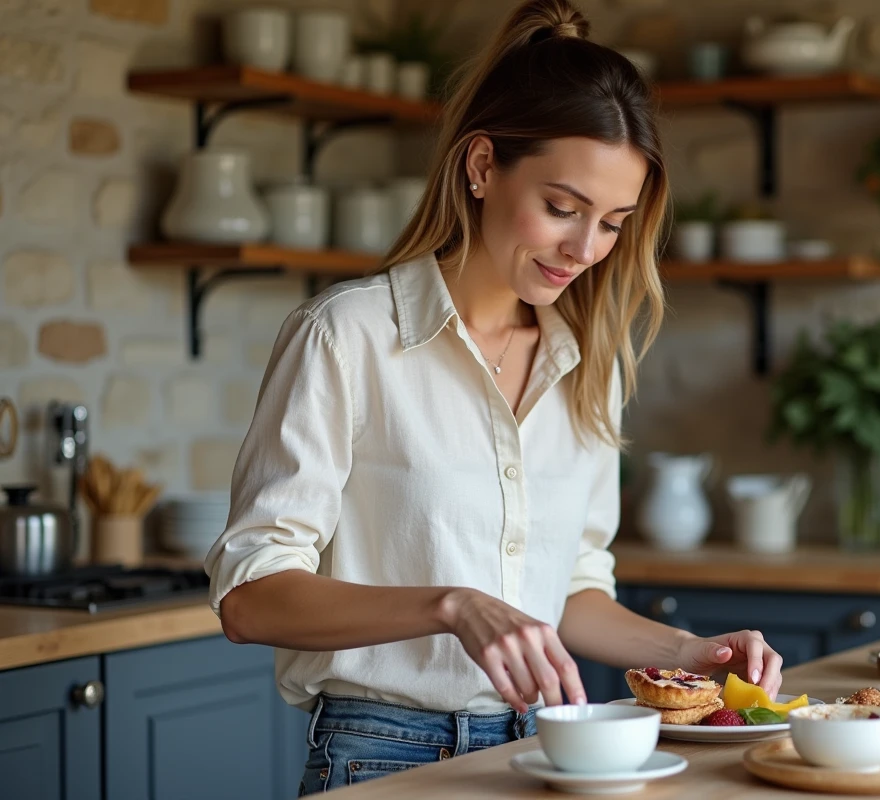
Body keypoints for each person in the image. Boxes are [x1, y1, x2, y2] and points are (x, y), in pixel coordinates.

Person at [204, 0, 783, 793]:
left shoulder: (588, 365)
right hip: (380, 753)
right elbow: (251, 599)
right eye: (561, 208)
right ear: (482, 167)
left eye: (614, 222)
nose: (586, 250)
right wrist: (449, 605)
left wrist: (686, 653)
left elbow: (570, 593)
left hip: (545, 749)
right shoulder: (349, 336)